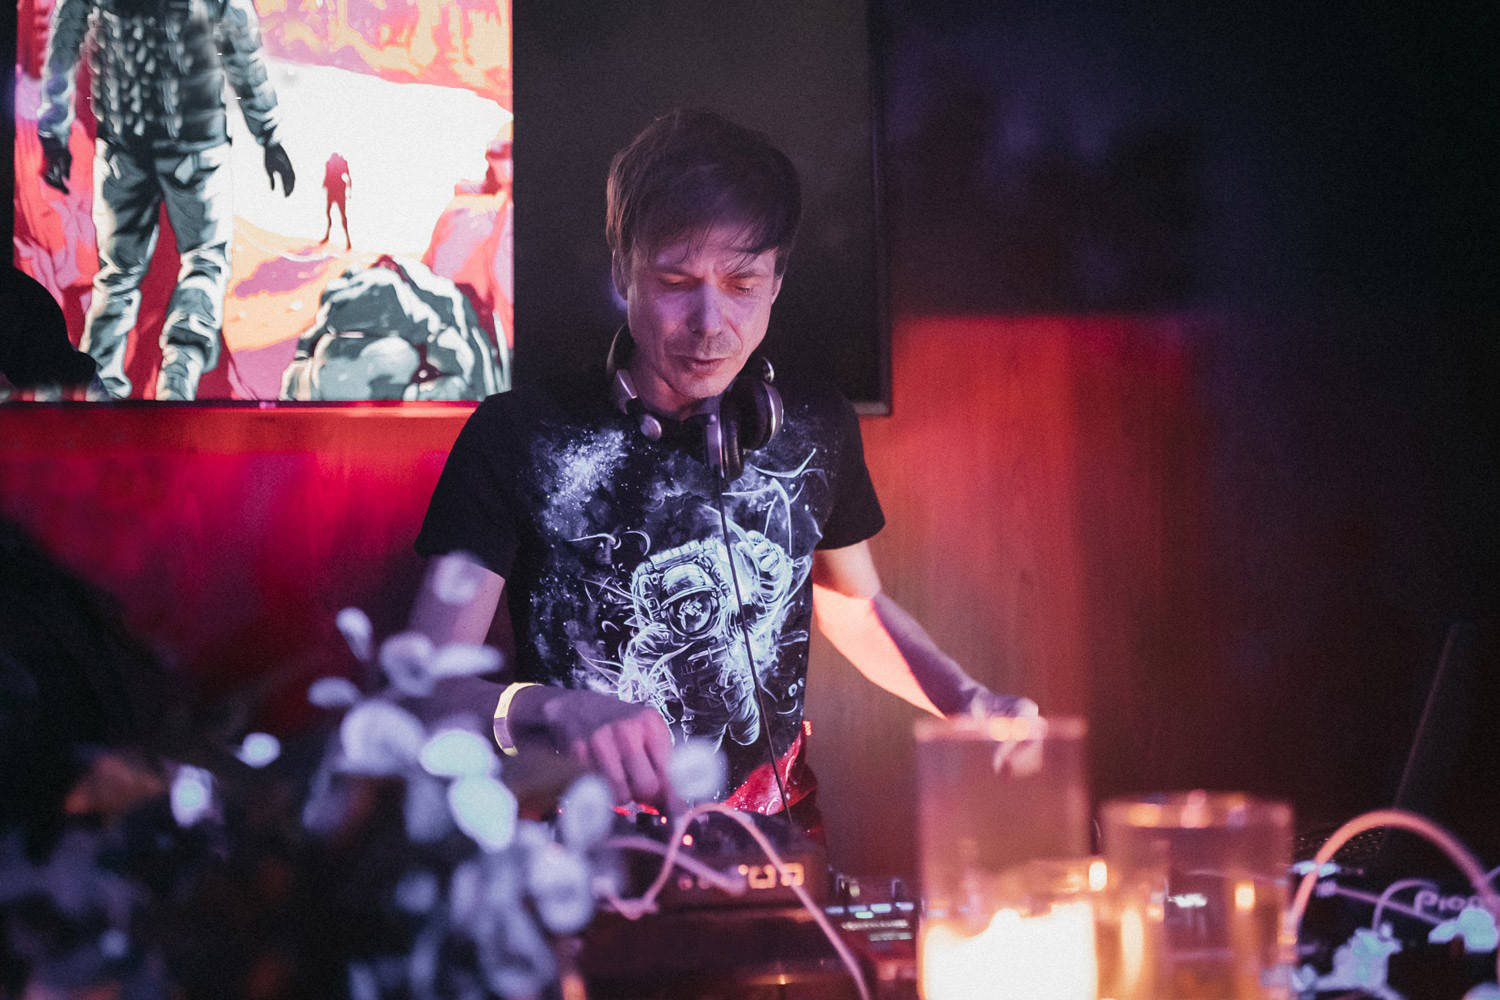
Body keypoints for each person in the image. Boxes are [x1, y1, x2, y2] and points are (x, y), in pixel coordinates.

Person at [410, 109, 1032, 822]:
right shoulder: (516, 437)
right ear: (623, 272)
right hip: (578, 861)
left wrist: (969, 701)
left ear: (777, 281)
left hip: (775, 850)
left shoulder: (817, 424)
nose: (710, 324)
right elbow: (419, 691)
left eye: (741, 284)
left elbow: (854, 608)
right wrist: (551, 708)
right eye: (677, 280)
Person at [37, 0, 295, 400]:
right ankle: (179, 379)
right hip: (196, 142)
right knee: (205, 260)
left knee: (118, 274)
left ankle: (99, 388)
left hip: (124, 141)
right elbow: (241, 49)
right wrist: (269, 135)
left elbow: (66, 36)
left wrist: (54, 130)